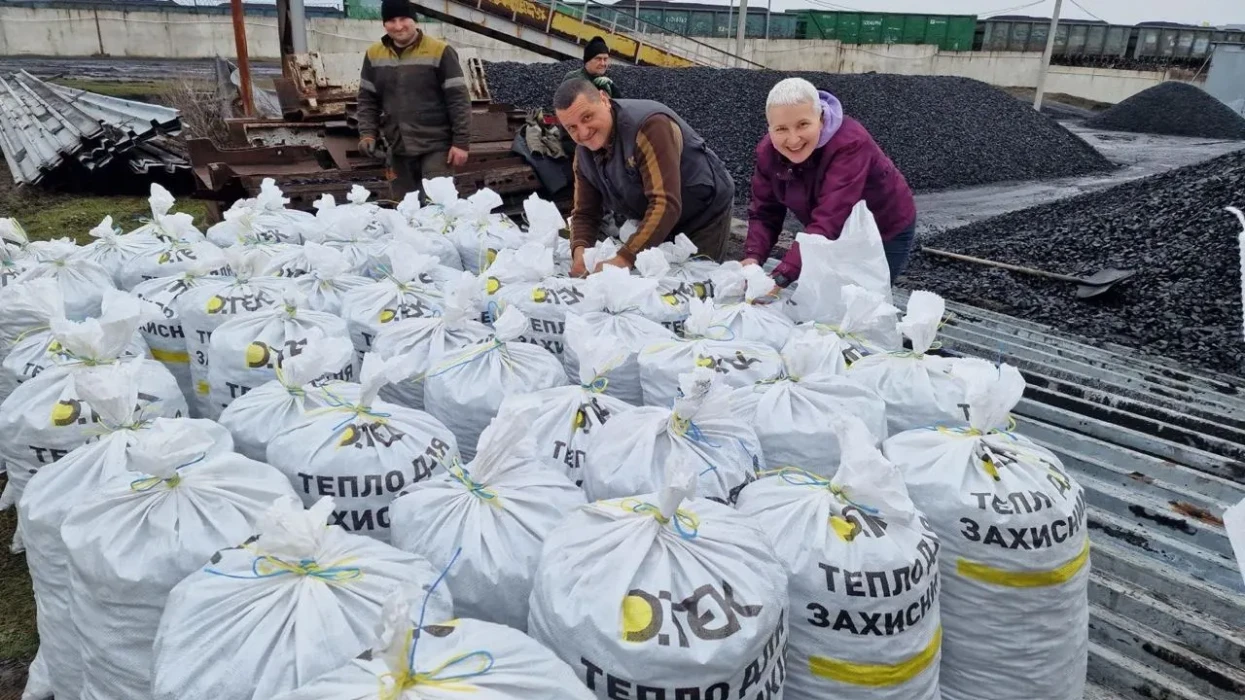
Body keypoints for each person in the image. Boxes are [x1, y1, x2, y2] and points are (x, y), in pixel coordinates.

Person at [743, 77, 917, 286]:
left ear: (821, 118)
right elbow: (764, 213)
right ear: (770, 128)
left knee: (866, 302)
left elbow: (829, 218)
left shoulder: (850, 145)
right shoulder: (768, 153)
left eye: (803, 124)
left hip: (883, 230)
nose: (793, 139)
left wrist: (782, 276)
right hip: (827, 233)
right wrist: (752, 260)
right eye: (781, 129)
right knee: (828, 297)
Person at [554, 79, 735, 277]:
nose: (583, 132)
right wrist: (580, 253)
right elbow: (585, 213)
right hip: (653, 216)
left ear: (604, 100)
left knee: (693, 284)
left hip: (702, 211)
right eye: (572, 127)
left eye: (587, 117)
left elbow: (665, 203)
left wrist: (625, 257)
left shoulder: (648, 127)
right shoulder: (584, 155)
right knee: (652, 284)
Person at [356, 0, 471, 200]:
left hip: (436, 147)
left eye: (403, 19)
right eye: (391, 20)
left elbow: (458, 100)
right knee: (402, 209)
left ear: (415, 21)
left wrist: (461, 143)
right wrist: (367, 133)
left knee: (436, 208)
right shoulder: (374, 54)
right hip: (397, 147)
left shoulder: (440, 51)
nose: (398, 26)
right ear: (384, 24)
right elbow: (367, 99)